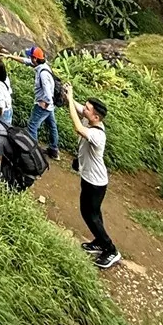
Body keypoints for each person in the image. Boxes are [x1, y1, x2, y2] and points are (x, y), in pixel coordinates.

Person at [61, 82, 121, 269]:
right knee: (93, 213)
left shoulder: (98, 135)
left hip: (96, 183)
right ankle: (99, 242)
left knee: (89, 214)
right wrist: (67, 94)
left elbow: (78, 128)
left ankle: (111, 250)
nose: (84, 109)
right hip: (89, 178)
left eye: (87, 109)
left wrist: (71, 98)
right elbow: (75, 106)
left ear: (95, 117)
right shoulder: (91, 119)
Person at [6, 45, 60, 159]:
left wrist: (45, 103)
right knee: (52, 125)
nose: (29, 58)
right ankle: (54, 150)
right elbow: (25, 61)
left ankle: (33, 154)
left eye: (31, 57)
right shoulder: (43, 65)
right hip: (50, 106)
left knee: (32, 127)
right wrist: (10, 56)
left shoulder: (43, 74)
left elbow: (48, 92)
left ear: (35, 59)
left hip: (43, 105)